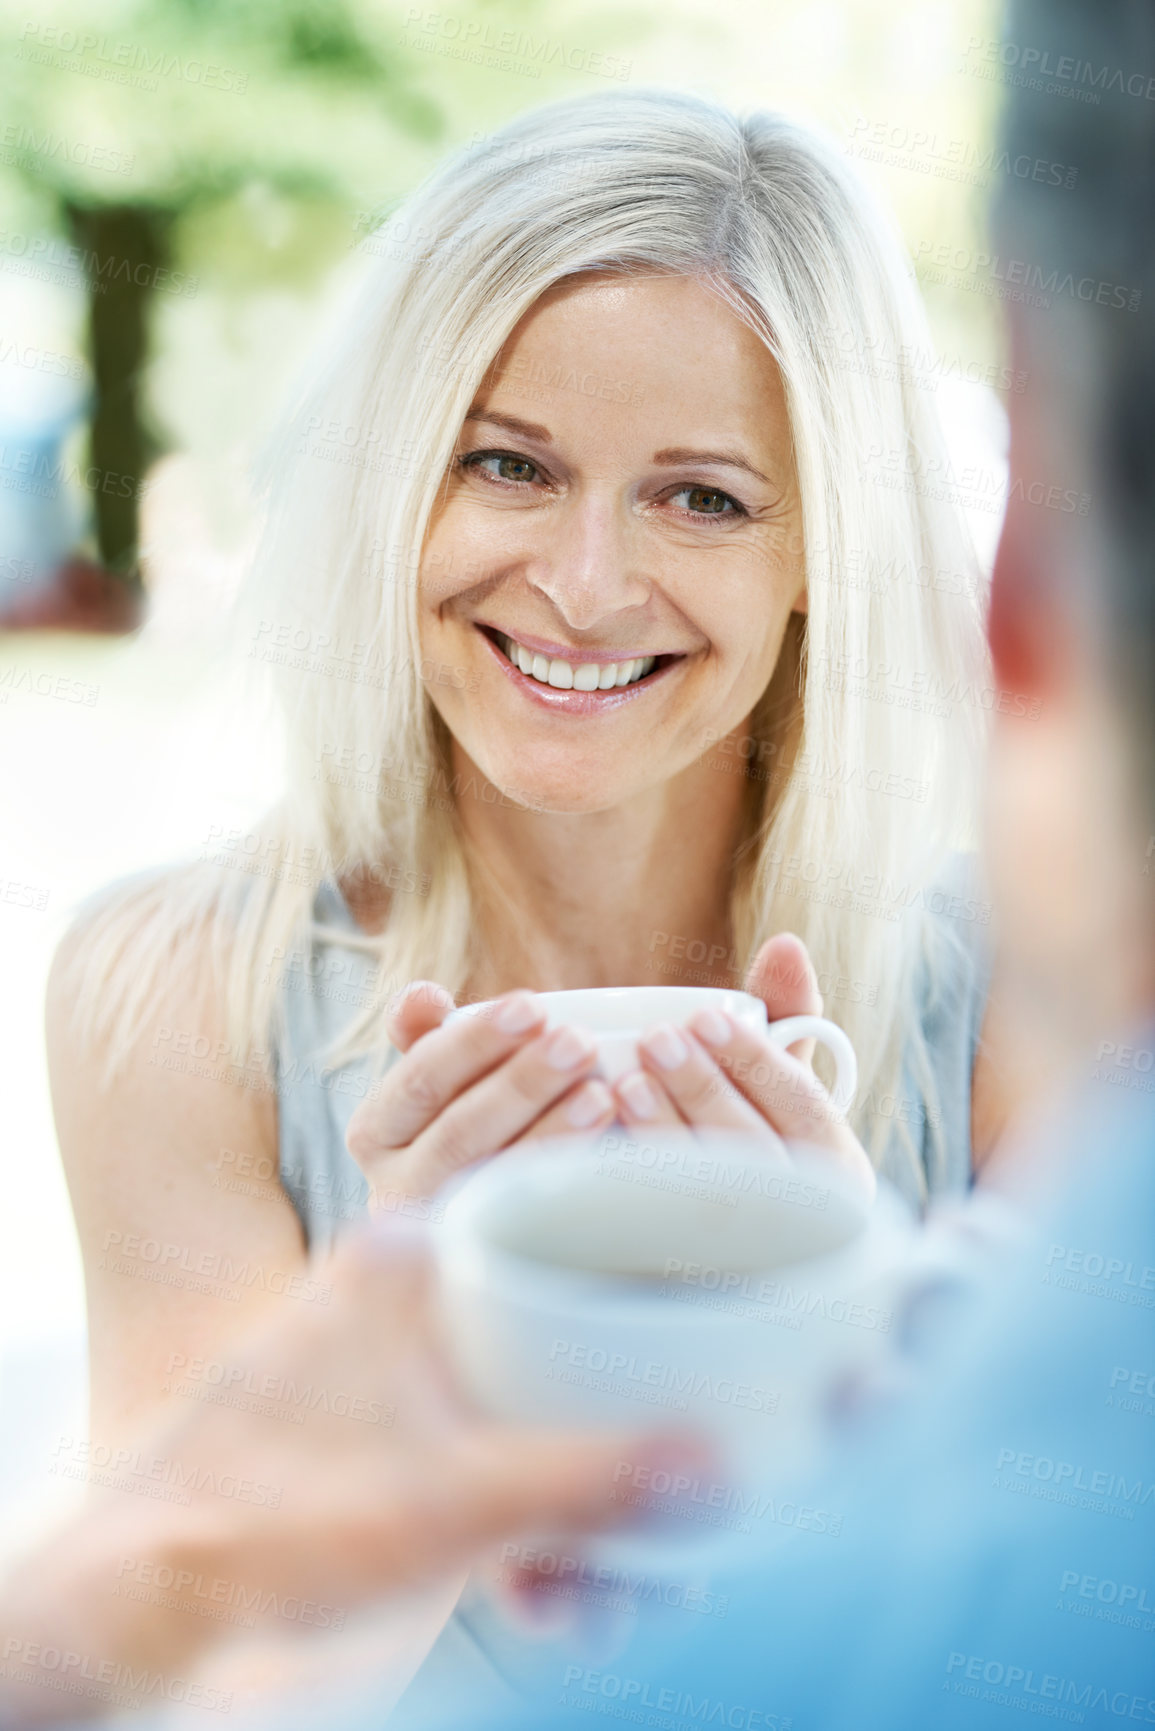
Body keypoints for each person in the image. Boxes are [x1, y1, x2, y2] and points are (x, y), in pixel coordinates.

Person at [45, 88, 1003, 1693]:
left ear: (820, 555)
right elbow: (183, 1702)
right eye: (507, 466)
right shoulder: (174, 995)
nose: (580, 583)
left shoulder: (1026, 993)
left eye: (701, 496)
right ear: (396, 487)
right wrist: (388, 1364)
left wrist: (861, 1341)